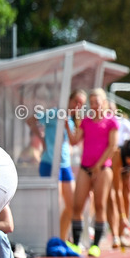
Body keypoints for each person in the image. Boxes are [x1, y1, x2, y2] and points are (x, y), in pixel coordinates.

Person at [28, 90, 86, 242]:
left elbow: (73, 141)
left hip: (65, 165)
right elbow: (31, 120)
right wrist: (42, 140)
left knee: (72, 205)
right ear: (69, 100)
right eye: (76, 102)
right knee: (54, 204)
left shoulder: (74, 120)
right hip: (50, 163)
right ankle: (50, 238)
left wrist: (68, 126)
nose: (77, 106)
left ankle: (61, 237)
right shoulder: (55, 113)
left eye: (81, 104)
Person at [67, 89, 119, 258]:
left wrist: (98, 166)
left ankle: (95, 245)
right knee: (77, 205)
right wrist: (68, 122)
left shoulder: (111, 122)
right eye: (92, 102)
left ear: (104, 102)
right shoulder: (86, 121)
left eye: (97, 102)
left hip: (103, 170)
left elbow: (113, 146)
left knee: (100, 205)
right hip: (85, 168)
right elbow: (75, 141)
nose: (95, 105)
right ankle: (75, 243)